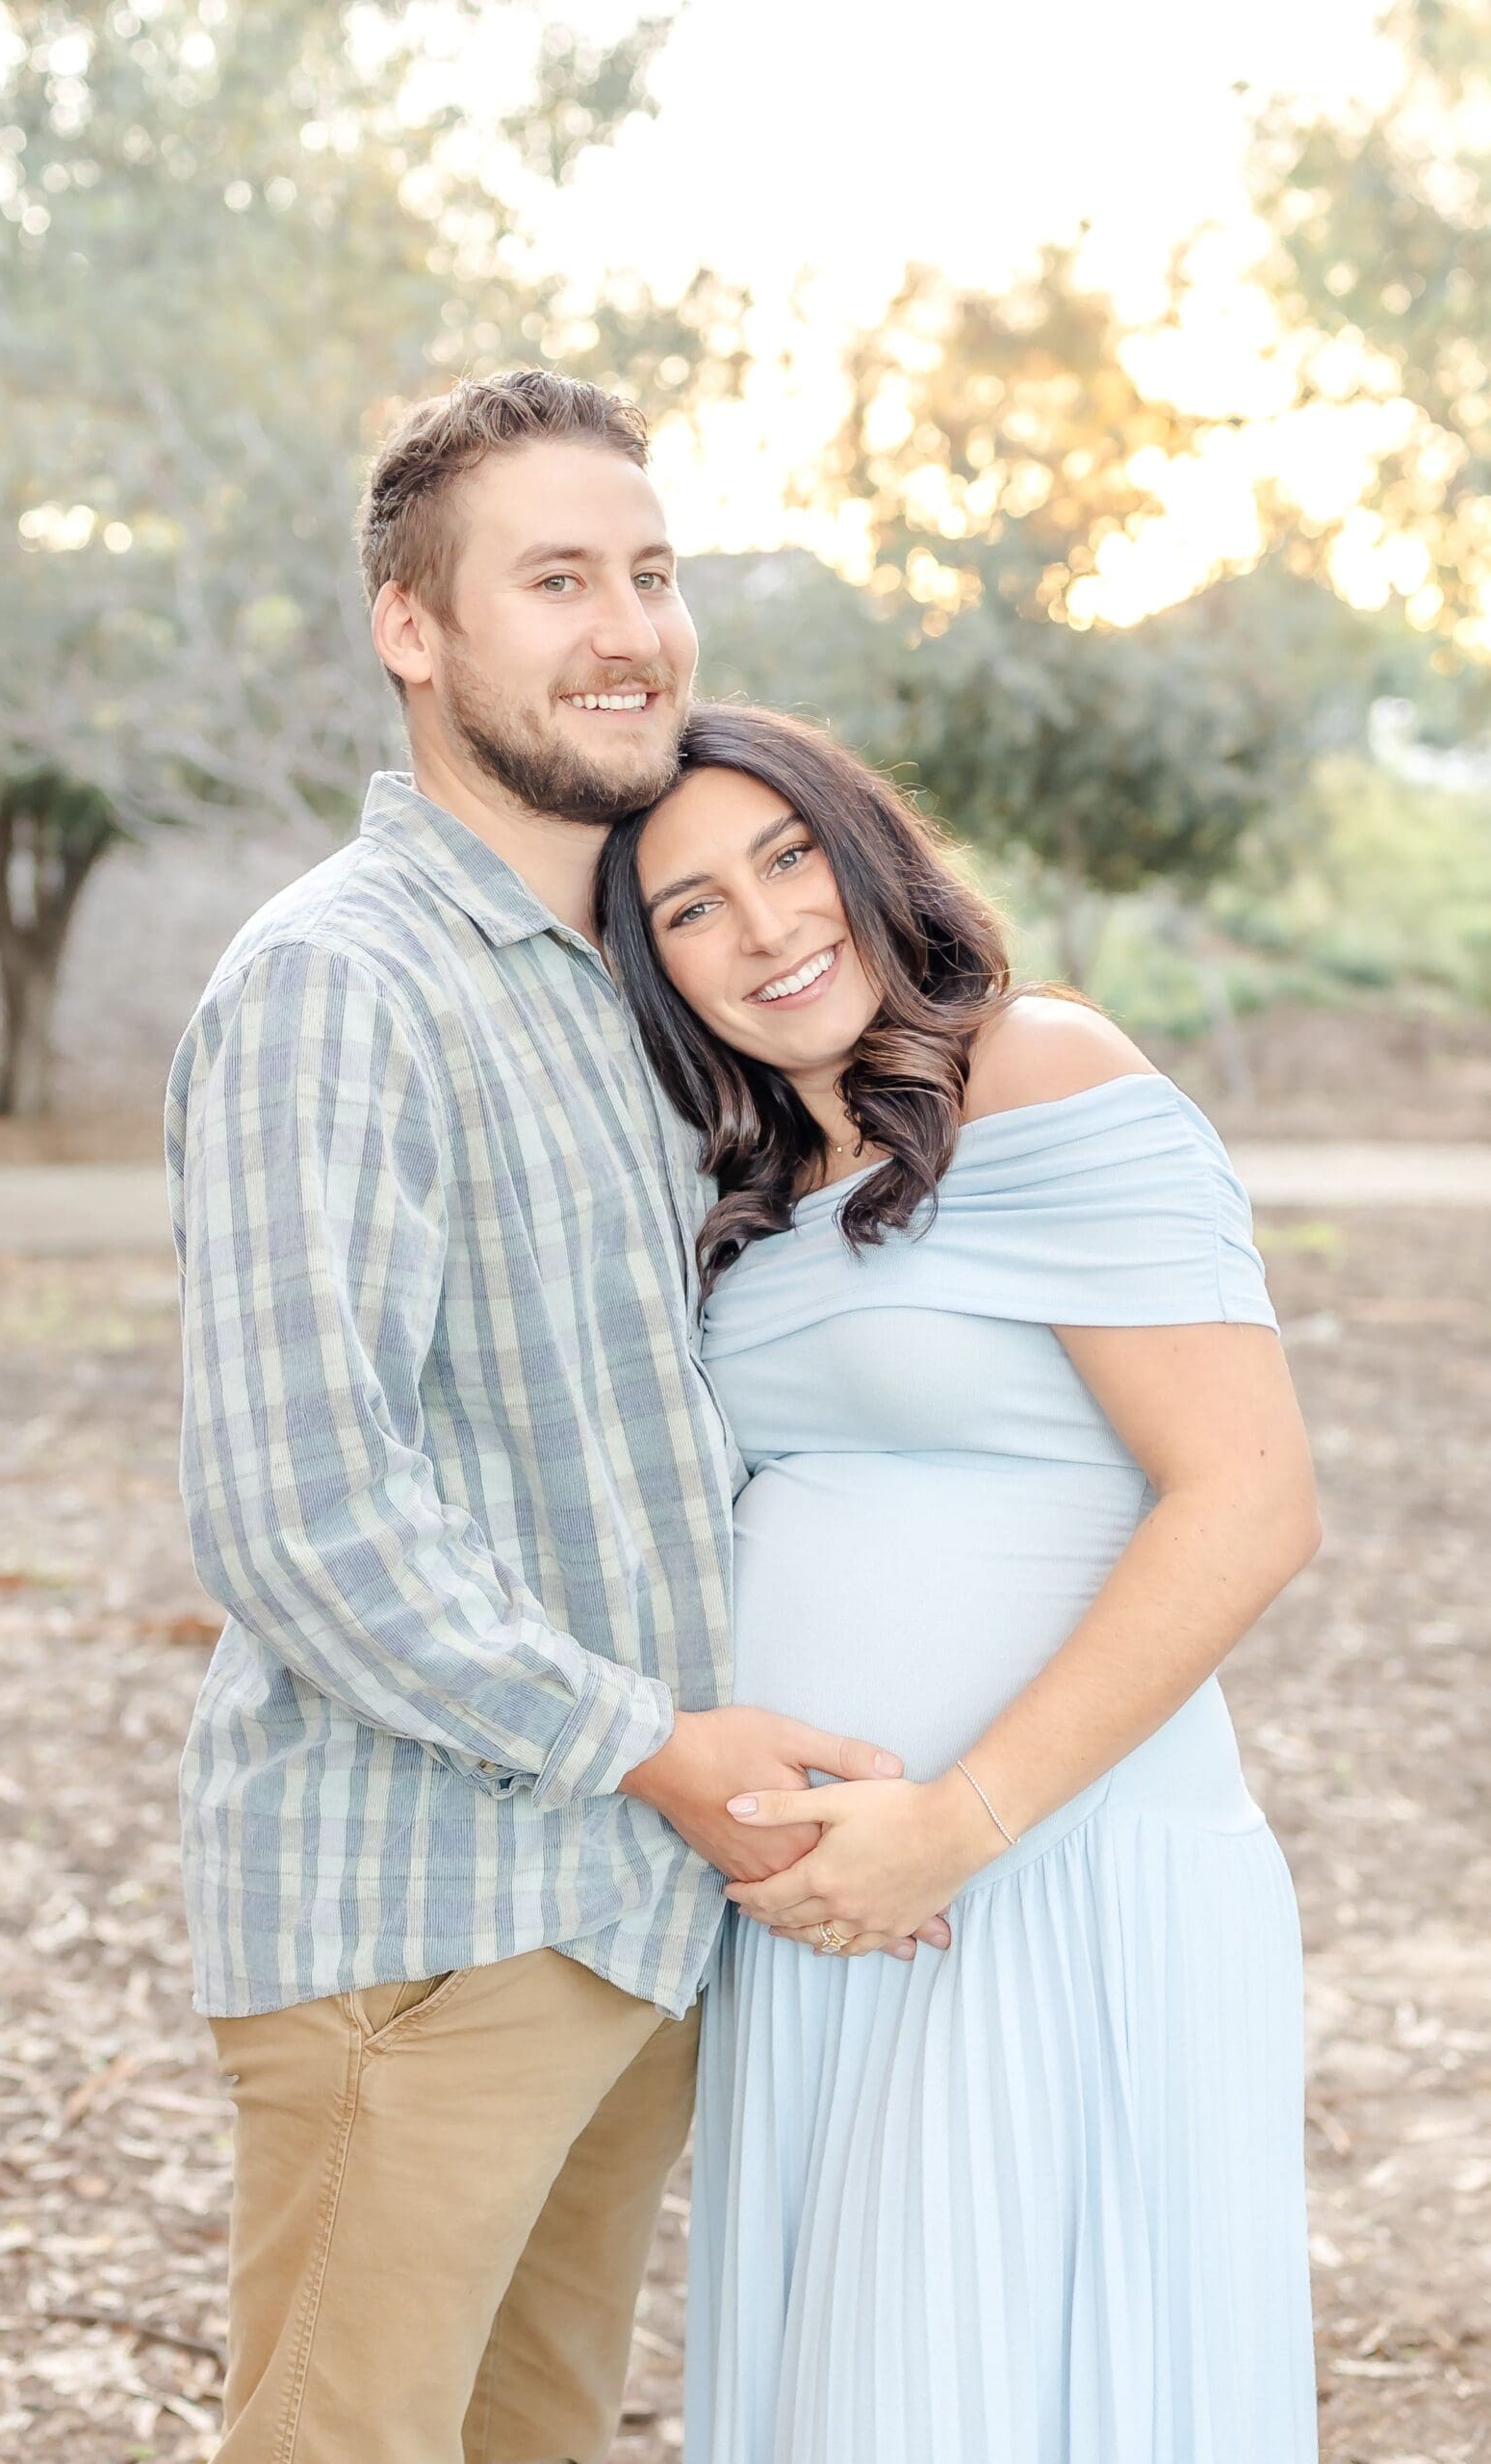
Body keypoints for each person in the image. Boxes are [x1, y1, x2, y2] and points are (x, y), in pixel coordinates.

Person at [164, 375, 915, 2464]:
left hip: (623, 1914)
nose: (628, 630)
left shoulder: (621, 980)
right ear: (414, 629)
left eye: (653, 575)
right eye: (557, 578)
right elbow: (299, 1506)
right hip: (421, 1919)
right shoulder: (345, 978)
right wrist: (659, 1747)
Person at [594, 703, 1323, 2464]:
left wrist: (963, 1822)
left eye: (787, 861)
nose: (765, 929)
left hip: (1050, 1868)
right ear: (652, 964)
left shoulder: (1044, 1068)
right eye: (692, 907)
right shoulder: (751, 1176)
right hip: (838, 1902)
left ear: (867, 853)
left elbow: (1250, 1500)